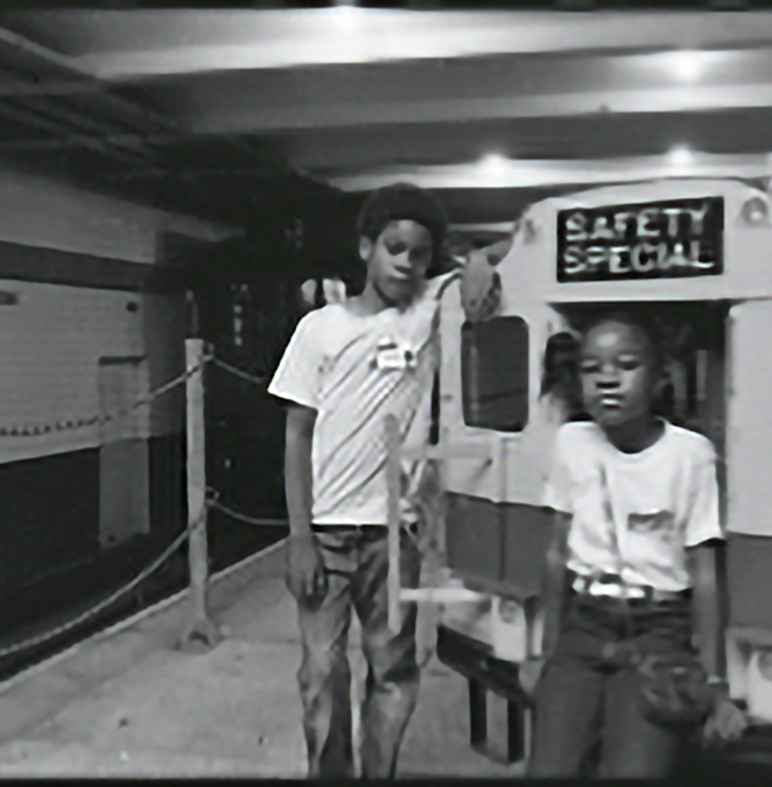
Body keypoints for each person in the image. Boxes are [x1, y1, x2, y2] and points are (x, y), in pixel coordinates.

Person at [267, 183, 504, 779]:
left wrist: (473, 259)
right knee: (321, 672)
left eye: (420, 253)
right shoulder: (319, 329)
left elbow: (516, 245)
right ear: (366, 248)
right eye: (394, 247)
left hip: (396, 537)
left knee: (392, 669)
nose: (406, 261)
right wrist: (298, 537)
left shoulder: (428, 310)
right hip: (325, 534)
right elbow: (297, 435)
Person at [523, 310, 747, 778]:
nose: (607, 380)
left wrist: (714, 681)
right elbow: (555, 553)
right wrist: (541, 654)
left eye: (626, 365)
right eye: (591, 368)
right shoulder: (571, 442)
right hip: (582, 630)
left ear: (660, 376)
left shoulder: (690, 454)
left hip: (658, 633)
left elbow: (705, 571)